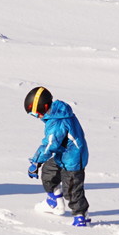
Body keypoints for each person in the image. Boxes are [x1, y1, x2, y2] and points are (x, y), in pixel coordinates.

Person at [25, 86, 89, 227]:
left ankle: (80, 215)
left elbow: (50, 145)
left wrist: (36, 162)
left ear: (45, 107)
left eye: (36, 114)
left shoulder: (57, 122)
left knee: (72, 189)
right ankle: (54, 202)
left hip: (73, 160)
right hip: (63, 155)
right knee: (48, 173)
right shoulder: (57, 113)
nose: (37, 117)